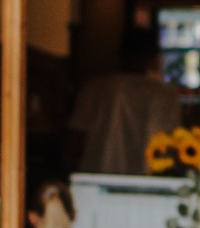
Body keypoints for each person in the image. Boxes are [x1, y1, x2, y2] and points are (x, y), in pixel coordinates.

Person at [68, 26, 188, 177]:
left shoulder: (94, 89)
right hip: (149, 184)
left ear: (120, 54)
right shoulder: (165, 95)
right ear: (153, 57)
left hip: (95, 179)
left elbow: (75, 142)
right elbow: (174, 148)